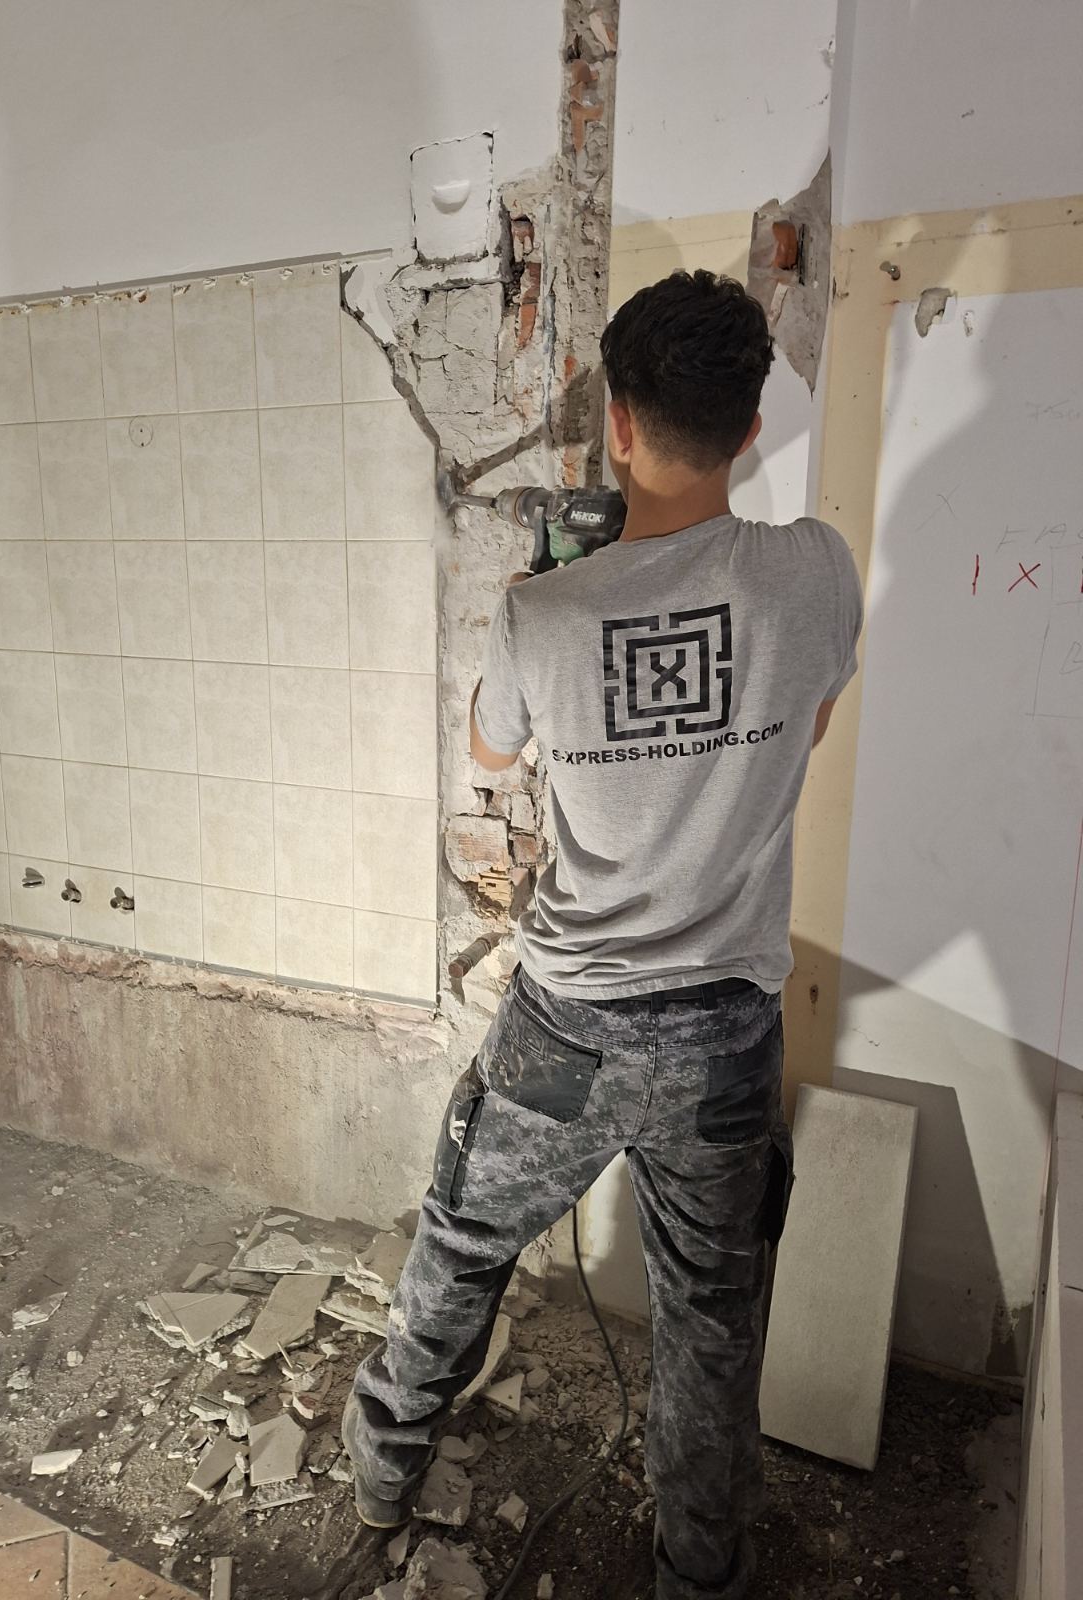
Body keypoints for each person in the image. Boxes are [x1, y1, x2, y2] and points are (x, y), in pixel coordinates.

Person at [343, 268, 864, 1600]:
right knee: (710, 1325)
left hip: (568, 1030)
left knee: (464, 1243)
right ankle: (702, 1572)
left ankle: (384, 1472)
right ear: (750, 428)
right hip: (727, 1040)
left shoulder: (544, 613)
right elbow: (803, 728)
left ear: (617, 426)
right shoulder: (816, 572)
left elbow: (488, 751)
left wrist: (567, 595)